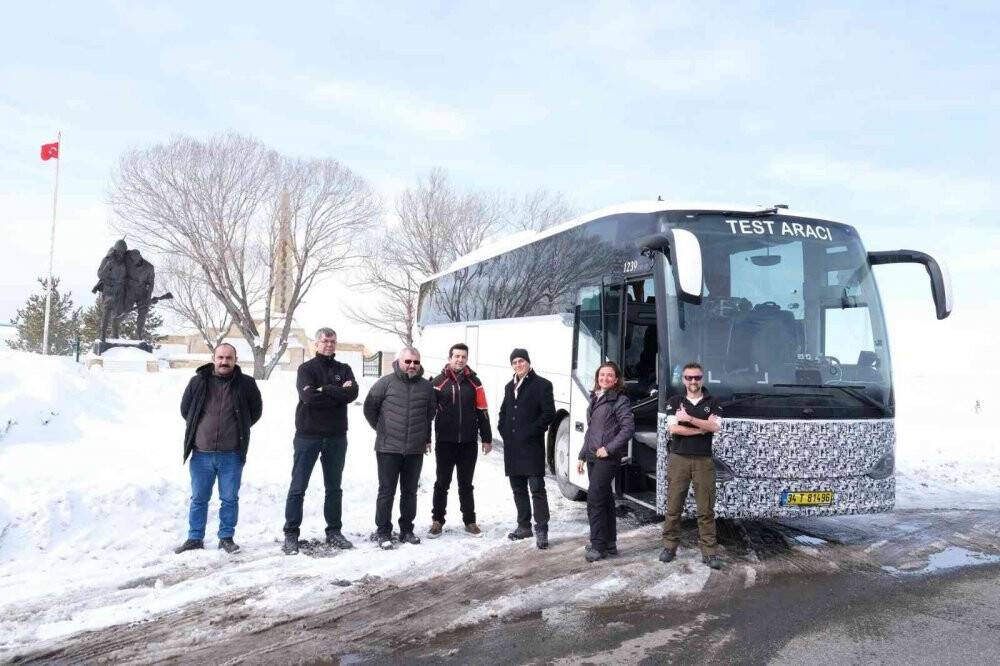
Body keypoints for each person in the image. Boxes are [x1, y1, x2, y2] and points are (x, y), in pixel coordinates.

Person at [174, 343, 263, 555]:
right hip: (201, 454)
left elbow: (255, 412)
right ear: (214, 358)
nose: (224, 361)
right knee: (198, 498)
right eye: (221, 357)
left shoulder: (246, 384)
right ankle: (195, 538)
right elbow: (186, 410)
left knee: (230, 499)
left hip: (231, 454)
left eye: (229, 358)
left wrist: (237, 427)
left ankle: (226, 538)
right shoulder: (198, 382)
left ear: (235, 359)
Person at [282, 328, 359, 555]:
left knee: (334, 488)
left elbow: (352, 394)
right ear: (316, 344)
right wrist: (337, 394)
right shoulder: (306, 369)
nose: (329, 345)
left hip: (336, 436)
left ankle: (334, 531)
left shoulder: (343, 369)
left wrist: (324, 389)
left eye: (333, 341)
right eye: (325, 341)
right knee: (298, 486)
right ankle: (291, 533)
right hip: (308, 436)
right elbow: (308, 397)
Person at [363, 346, 436, 550]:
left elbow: (429, 414)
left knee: (410, 492)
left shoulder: (426, 387)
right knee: (386, 491)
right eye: (408, 361)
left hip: (414, 449)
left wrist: (422, 438)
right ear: (399, 362)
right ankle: (383, 531)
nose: (412, 365)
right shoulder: (385, 383)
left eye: (416, 362)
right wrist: (381, 428)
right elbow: (370, 408)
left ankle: (406, 530)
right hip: (388, 448)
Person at [660, 361, 724, 569]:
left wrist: (689, 419)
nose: (693, 381)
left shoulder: (713, 402)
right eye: (689, 378)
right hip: (679, 459)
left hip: (704, 460)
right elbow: (674, 430)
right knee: (674, 506)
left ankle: (709, 552)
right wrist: (702, 428)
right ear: (683, 380)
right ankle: (669, 546)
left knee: (706, 509)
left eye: (697, 377)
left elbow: (716, 427)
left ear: (702, 379)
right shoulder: (674, 401)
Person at [428, 343, 493, 538]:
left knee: (466, 484)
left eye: (463, 356)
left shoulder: (475, 382)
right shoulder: (437, 382)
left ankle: (470, 521)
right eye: (456, 356)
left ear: (467, 359)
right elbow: (428, 413)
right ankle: (437, 521)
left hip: (468, 442)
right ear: (450, 358)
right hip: (445, 442)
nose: (460, 359)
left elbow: (482, 411)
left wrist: (487, 438)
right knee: (442, 482)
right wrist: (426, 438)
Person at [577, 362, 634, 562]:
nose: (605, 378)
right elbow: (591, 430)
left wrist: (608, 448)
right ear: (597, 377)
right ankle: (609, 543)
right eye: (602, 375)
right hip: (593, 456)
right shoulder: (596, 397)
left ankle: (598, 545)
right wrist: (582, 455)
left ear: (616, 379)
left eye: (610, 375)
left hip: (607, 458)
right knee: (606, 499)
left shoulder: (620, 400)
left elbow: (628, 429)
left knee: (594, 499)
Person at [498, 348, 555, 549]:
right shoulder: (509, 386)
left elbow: (548, 414)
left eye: (521, 361)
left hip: (531, 447)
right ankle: (524, 526)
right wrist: (503, 430)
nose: (518, 365)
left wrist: (531, 432)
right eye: (514, 362)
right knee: (518, 488)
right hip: (513, 447)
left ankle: (541, 529)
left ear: (528, 362)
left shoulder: (542, 385)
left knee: (537, 489)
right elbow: (503, 412)